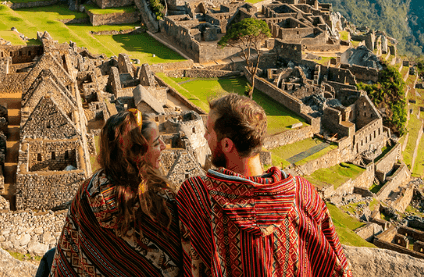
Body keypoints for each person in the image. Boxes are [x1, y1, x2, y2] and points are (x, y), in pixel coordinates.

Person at [176, 93, 350, 276]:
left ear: (227, 145)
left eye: (209, 131)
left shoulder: (197, 194)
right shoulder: (302, 193)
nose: (204, 136)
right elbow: (338, 265)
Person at [38, 109, 182, 277]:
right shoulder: (162, 205)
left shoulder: (86, 194)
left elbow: (67, 260)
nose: (164, 146)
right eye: (157, 143)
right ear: (138, 154)